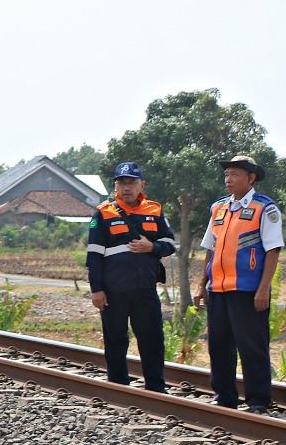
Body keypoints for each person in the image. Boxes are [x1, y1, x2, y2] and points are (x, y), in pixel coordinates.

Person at [196, 155, 281, 414]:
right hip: (219, 290)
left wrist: (264, 287)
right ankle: (224, 396)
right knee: (219, 344)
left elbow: (273, 250)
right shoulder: (218, 208)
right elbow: (209, 248)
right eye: (227, 175)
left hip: (248, 291)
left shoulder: (265, 209)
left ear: (251, 178)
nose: (228, 179)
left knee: (252, 345)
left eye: (234, 174)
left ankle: (257, 401)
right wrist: (202, 285)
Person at [86, 162, 175, 393]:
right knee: (116, 340)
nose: (127, 187)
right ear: (115, 186)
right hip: (113, 290)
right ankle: (118, 386)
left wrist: (152, 246)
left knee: (152, 339)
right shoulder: (103, 213)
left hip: (145, 288)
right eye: (122, 182)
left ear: (141, 185)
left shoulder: (154, 210)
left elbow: (170, 243)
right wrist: (96, 289)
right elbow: (94, 255)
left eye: (132, 182)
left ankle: (156, 388)